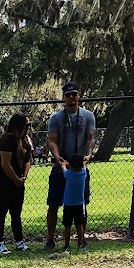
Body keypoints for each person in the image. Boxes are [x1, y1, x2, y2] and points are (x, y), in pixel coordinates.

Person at [45, 80, 95, 252]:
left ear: (79, 96)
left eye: (75, 94)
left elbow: (90, 138)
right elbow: (52, 141)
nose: (72, 98)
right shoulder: (56, 118)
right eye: (68, 95)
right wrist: (58, 159)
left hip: (80, 167)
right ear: (64, 97)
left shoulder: (88, 116)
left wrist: (88, 156)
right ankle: (50, 239)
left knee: (82, 203)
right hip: (61, 166)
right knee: (53, 203)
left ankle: (82, 239)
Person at [0, 114, 33, 254]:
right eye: (26, 125)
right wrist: (16, 179)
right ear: (17, 125)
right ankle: (0, 244)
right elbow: (5, 164)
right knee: (1, 212)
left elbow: (28, 161)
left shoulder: (26, 140)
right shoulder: (7, 139)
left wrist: (23, 177)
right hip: (3, 181)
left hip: (18, 181)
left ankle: (19, 242)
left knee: (16, 213)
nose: (28, 128)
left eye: (29, 125)